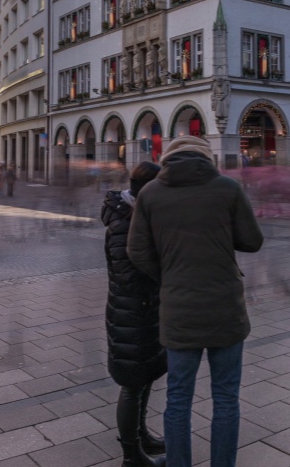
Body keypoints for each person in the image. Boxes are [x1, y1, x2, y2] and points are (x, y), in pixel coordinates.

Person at [127, 136, 263, 467]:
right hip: (224, 307)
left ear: (168, 158)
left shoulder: (150, 193)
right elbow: (252, 241)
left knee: (178, 398)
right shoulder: (227, 189)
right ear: (207, 158)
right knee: (226, 398)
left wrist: (169, 275)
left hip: (178, 306)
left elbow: (136, 251)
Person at [103, 162, 166, 467]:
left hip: (143, 308)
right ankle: (131, 455)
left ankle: (141, 436)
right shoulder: (125, 222)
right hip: (131, 311)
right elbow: (128, 274)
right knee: (132, 383)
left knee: (146, 375)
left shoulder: (137, 214)